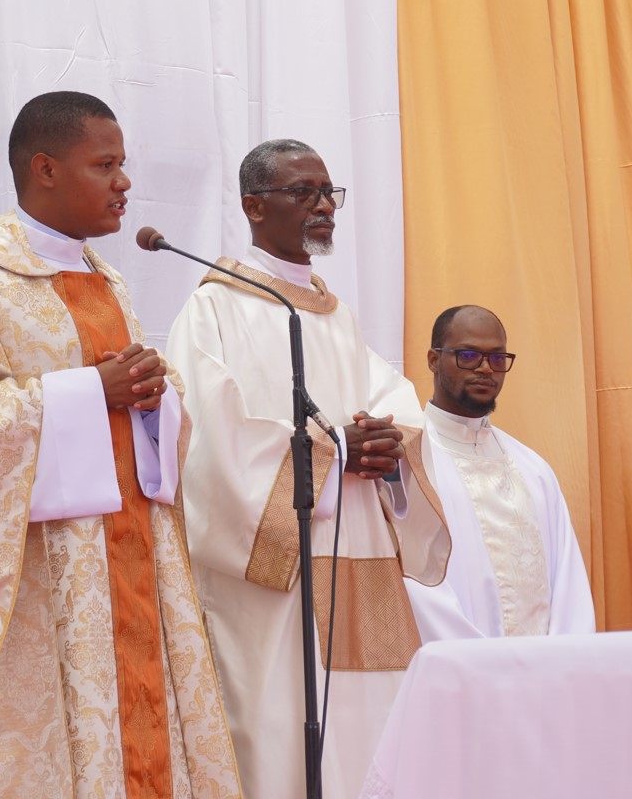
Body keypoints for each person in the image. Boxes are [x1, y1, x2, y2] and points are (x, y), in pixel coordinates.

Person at [0, 91, 241, 799]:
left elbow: (134, 423)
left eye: (123, 164)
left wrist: (156, 400)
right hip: (41, 580)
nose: (124, 182)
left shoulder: (111, 282)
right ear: (45, 168)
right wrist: (88, 393)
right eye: (104, 165)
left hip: (127, 562)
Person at [166, 139, 451, 799]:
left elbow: (392, 403)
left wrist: (392, 447)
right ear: (253, 206)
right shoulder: (216, 309)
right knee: (280, 737)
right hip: (276, 572)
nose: (324, 207)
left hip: (359, 560)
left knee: (372, 726)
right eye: (304, 193)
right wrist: (334, 452)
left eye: (329, 193)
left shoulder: (336, 316)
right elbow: (205, 440)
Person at [404, 305, 595, 639]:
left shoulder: (532, 470)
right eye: (468, 355)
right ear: (434, 360)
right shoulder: (409, 463)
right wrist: (479, 662)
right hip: (456, 672)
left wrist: (564, 661)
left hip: (541, 677)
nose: (485, 369)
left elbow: (568, 584)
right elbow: (415, 585)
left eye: (496, 359)